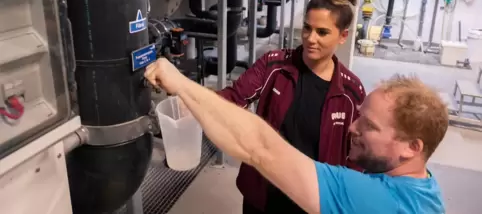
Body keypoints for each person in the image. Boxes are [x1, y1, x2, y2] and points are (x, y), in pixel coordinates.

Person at [145, 60, 448, 214]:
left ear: (412, 147)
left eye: (369, 125)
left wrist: (181, 83)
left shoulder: (377, 201)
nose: (352, 128)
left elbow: (260, 147)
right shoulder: (424, 191)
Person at [217, 0, 366, 213]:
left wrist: (343, 199)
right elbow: (233, 97)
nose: (310, 38)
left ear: (343, 36)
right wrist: (190, 96)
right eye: (307, 28)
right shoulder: (274, 65)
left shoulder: (351, 92)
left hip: (314, 199)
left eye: (322, 32)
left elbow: (357, 155)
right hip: (266, 191)